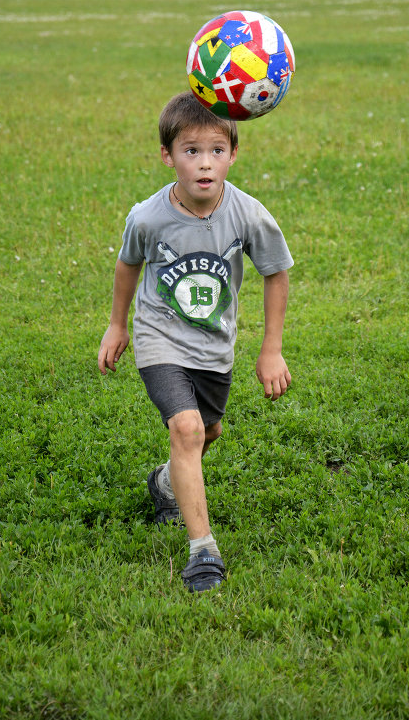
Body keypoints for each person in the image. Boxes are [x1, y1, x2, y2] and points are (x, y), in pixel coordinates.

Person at [98, 91, 293, 593]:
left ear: (233, 154)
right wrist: (118, 326)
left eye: (216, 151)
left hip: (214, 346)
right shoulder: (149, 216)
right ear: (167, 155)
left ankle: (164, 484)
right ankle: (203, 551)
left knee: (207, 434)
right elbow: (127, 265)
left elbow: (276, 272)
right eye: (190, 151)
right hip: (159, 335)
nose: (204, 164)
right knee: (185, 430)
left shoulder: (248, 214)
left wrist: (270, 348)